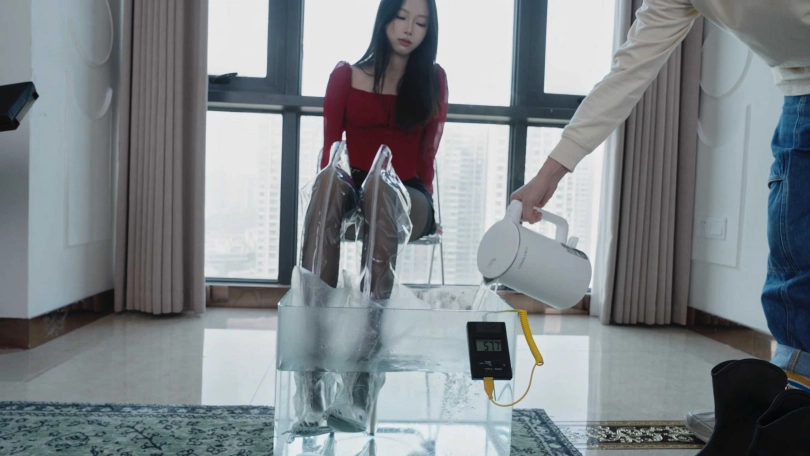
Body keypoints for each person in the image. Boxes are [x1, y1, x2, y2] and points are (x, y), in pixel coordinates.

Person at [510, 0, 810, 449]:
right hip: (801, 92)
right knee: (794, 274)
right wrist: (548, 176)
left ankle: (786, 412)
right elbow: (627, 73)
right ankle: (787, 409)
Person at [293, 0, 448, 436]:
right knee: (329, 183)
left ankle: (362, 374)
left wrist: (426, 211)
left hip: (407, 193)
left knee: (382, 185)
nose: (409, 29)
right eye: (401, 17)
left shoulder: (433, 79)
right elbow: (330, 154)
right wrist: (335, 191)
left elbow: (427, 156)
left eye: (420, 23)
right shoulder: (346, 75)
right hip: (352, 186)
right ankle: (313, 371)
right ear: (384, 18)